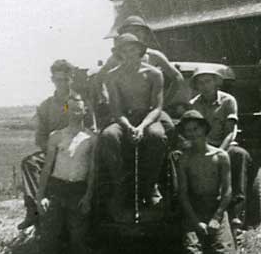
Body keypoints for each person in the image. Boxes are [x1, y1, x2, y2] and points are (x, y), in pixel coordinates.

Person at [99, 33, 170, 221]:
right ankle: (120, 187)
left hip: (149, 116)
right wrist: (130, 126)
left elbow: (157, 107)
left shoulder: (154, 74)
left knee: (157, 136)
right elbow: (116, 109)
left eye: (133, 49)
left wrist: (142, 126)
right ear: (119, 53)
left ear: (140, 49)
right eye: (125, 50)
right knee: (108, 136)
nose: (130, 53)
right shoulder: (112, 76)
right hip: (124, 118)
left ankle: (150, 186)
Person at [18, 59, 93, 230]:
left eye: (66, 79)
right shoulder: (46, 106)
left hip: (79, 149)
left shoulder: (80, 102)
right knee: (29, 163)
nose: (62, 83)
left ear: (71, 79)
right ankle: (34, 209)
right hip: (54, 150)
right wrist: (53, 149)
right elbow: (41, 136)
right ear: (52, 79)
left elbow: (92, 130)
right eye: (58, 79)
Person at [176, 110, 240, 254]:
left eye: (196, 129)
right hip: (194, 209)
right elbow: (183, 194)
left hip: (216, 207)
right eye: (188, 131)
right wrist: (195, 221)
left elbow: (227, 191)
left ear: (204, 129)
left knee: (224, 247)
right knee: (192, 247)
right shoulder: (185, 159)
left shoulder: (220, 156)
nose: (193, 134)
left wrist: (216, 217)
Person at [35, 97, 97, 254]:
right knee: (49, 239)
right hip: (56, 190)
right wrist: (40, 196)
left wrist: (88, 196)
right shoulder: (56, 136)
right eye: (72, 109)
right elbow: (47, 168)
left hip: (78, 191)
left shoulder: (91, 138)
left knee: (77, 240)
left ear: (85, 111)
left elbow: (93, 171)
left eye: (79, 109)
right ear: (66, 111)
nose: (75, 113)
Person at [189, 66, 253, 227]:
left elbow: (231, 132)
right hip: (201, 146)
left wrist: (218, 153)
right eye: (200, 83)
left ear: (216, 82)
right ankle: (191, 212)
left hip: (224, 145)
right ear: (196, 86)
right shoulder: (193, 104)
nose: (205, 86)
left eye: (208, 81)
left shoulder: (228, 101)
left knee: (239, 155)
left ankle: (237, 213)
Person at [97, 15, 184, 106]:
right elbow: (99, 78)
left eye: (137, 30)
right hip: (125, 109)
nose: (134, 33)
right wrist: (105, 97)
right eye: (129, 31)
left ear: (144, 33)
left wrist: (164, 102)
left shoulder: (153, 55)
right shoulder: (116, 57)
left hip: (150, 107)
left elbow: (177, 78)